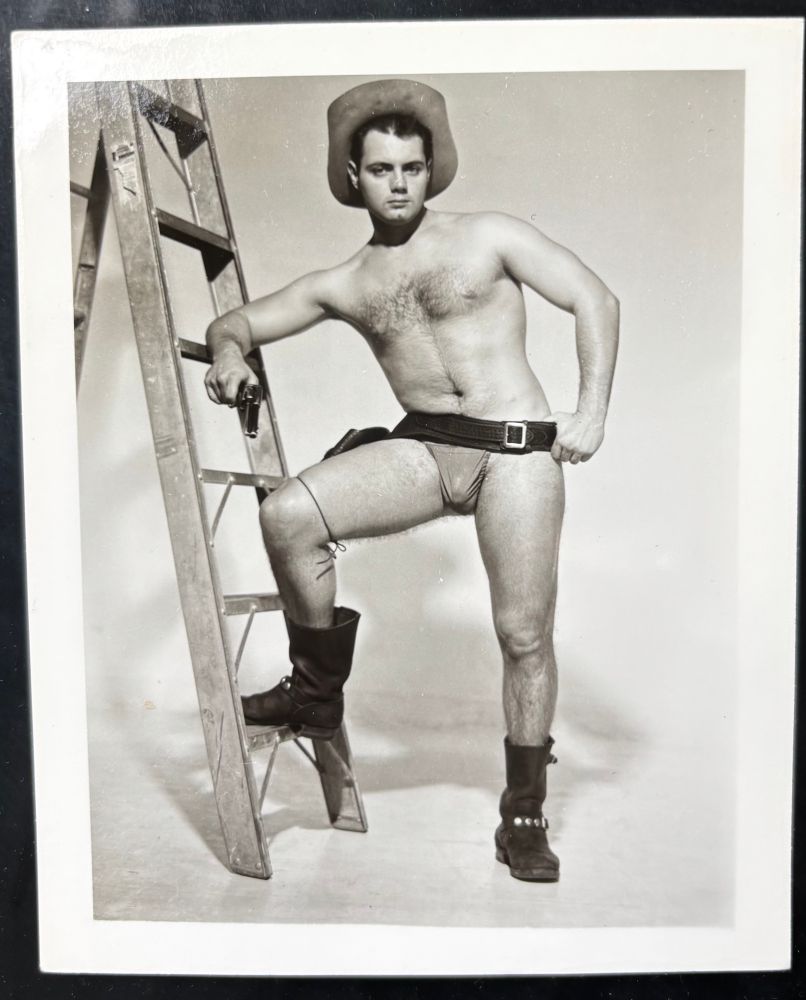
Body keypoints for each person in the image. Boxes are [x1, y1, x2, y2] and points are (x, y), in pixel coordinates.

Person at [204, 79, 619, 883]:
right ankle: (316, 692)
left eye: (413, 168)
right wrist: (227, 354)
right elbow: (239, 321)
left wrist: (591, 411)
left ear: (431, 171)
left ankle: (523, 814)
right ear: (352, 176)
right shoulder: (346, 281)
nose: (399, 184)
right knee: (288, 515)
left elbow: (596, 298)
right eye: (382, 169)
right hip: (428, 448)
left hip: (516, 453)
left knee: (523, 635)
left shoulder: (489, 235)